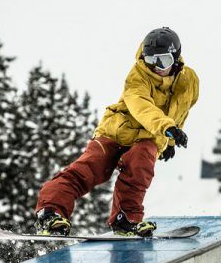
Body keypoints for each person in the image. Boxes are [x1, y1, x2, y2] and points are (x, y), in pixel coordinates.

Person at [34, 27, 199, 237]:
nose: (156, 67)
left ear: (176, 59)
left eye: (163, 61)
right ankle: (50, 212)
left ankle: (126, 219)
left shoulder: (189, 81)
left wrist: (171, 141)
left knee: (140, 166)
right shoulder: (138, 75)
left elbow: (181, 108)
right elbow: (141, 106)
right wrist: (167, 128)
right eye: (150, 59)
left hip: (148, 137)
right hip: (116, 133)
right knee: (89, 169)